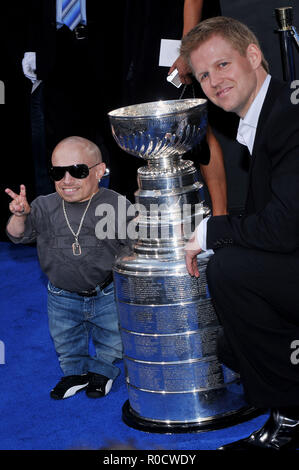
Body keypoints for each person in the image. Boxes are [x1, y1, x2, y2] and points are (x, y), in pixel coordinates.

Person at [182, 16, 299, 450]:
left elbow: (283, 229)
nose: (215, 81)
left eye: (223, 64)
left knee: (229, 270)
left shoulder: (288, 116)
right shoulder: (271, 112)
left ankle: (291, 416)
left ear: (254, 56)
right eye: (204, 74)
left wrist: (213, 230)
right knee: (234, 348)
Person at [5, 136, 133, 400]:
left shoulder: (115, 204)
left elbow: (136, 243)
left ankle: (103, 371)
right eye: (57, 172)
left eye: (77, 171)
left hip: (106, 292)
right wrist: (19, 216)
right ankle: (74, 372)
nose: (67, 180)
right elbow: (16, 236)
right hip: (61, 295)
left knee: (112, 337)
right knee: (65, 339)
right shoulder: (43, 205)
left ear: (99, 171)